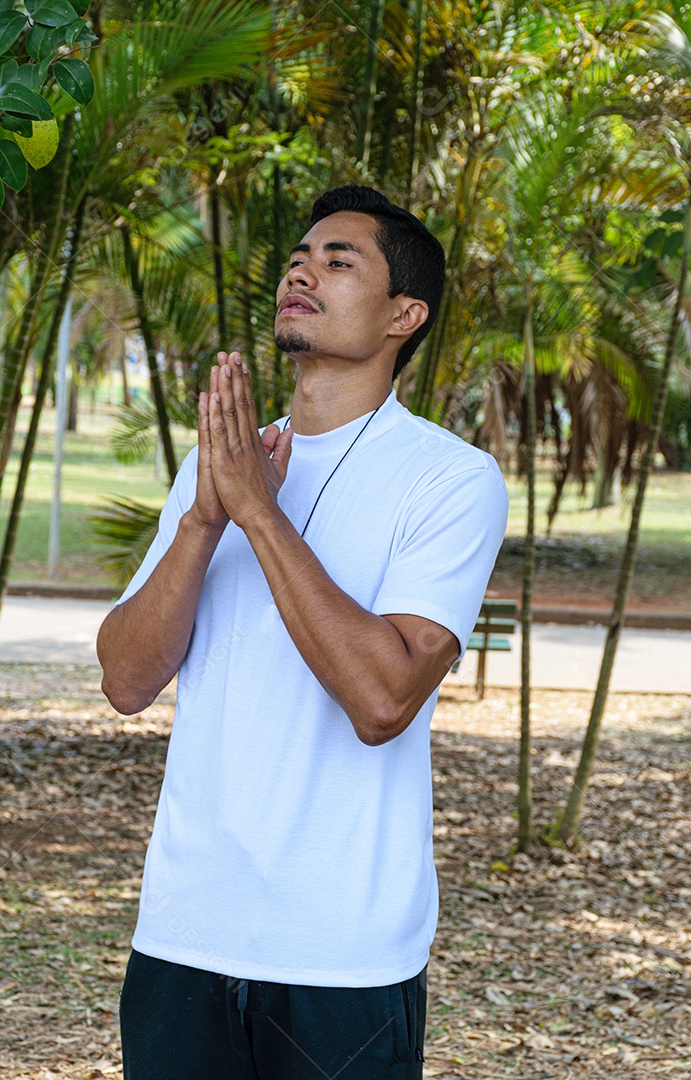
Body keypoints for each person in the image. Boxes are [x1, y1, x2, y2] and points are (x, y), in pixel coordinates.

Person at [97, 184, 508, 1080]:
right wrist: (207, 519)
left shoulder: (452, 480)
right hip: (183, 933)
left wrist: (259, 513)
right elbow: (126, 682)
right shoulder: (225, 456)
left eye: (338, 259)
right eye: (298, 257)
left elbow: (382, 699)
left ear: (406, 313)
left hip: (342, 955)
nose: (301, 269)